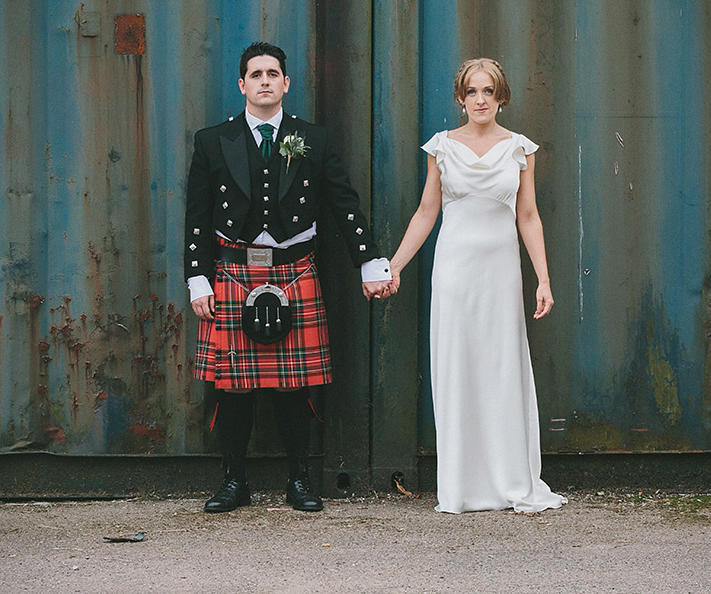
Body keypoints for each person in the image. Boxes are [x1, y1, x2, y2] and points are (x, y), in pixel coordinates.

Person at [185, 42, 391, 513]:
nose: (264, 81)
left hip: (294, 269)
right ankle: (234, 482)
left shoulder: (312, 139)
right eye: (255, 74)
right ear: (242, 85)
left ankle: (299, 481)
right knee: (231, 387)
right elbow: (196, 217)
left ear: (286, 83)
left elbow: (344, 203)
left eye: (272, 73)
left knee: (293, 385)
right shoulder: (213, 140)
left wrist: (369, 260)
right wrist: (197, 278)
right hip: (233, 271)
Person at [388, 58, 567, 514]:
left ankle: (509, 478)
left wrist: (543, 278)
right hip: (455, 271)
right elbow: (427, 212)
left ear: (501, 97)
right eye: (472, 92)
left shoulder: (520, 149)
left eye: (489, 91)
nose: (480, 100)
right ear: (460, 98)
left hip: (501, 272)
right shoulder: (442, 147)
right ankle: (463, 486)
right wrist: (395, 265)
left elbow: (528, 215)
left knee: (501, 367)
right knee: (458, 366)